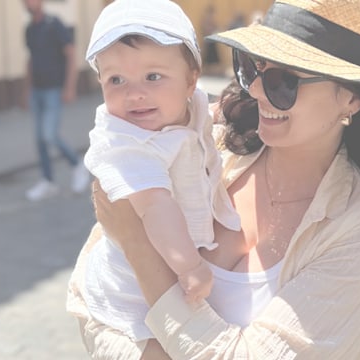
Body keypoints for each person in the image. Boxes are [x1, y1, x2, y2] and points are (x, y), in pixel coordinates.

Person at [67, 0, 360, 358]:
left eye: (283, 82)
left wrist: (142, 251)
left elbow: (126, 239)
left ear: (351, 98)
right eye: (251, 69)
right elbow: (89, 294)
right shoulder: (209, 142)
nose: (256, 91)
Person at [77, 0, 241, 351]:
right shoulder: (126, 140)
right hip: (134, 282)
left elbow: (209, 113)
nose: (134, 93)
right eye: (115, 79)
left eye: (153, 77)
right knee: (161, 344)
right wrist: (190, 267)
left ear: (190, 80)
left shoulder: (194, 103)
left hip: (173, 254)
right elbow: (155, 207)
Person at [22, 0, 90, 201]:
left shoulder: (54, 24)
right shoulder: (29, 29)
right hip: (37, 90)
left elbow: (70, 54)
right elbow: (30, 60)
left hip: (54, 90)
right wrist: (26, 90)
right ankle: (48, 181)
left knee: (49, 135)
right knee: (39, 140)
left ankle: (77, 165)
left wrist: (70, 86)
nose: (28, 3)